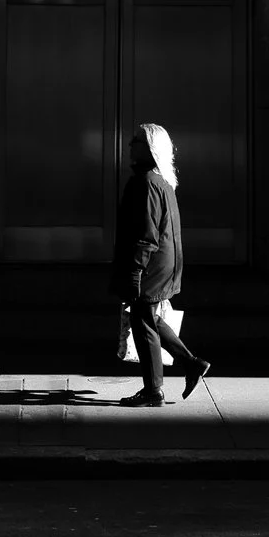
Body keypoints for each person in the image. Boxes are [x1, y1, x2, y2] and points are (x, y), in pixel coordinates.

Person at [110, 122, 212, 406]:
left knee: (143, 322)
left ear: (150, 148)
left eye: (136, 140)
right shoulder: (160, 180)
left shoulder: (146, 183)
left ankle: (153, 390)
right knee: (149, 318)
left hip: (151, 265)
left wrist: (134, 271)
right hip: (163, 262)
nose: (130, 144)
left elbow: (146, 234)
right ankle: (191, 363)